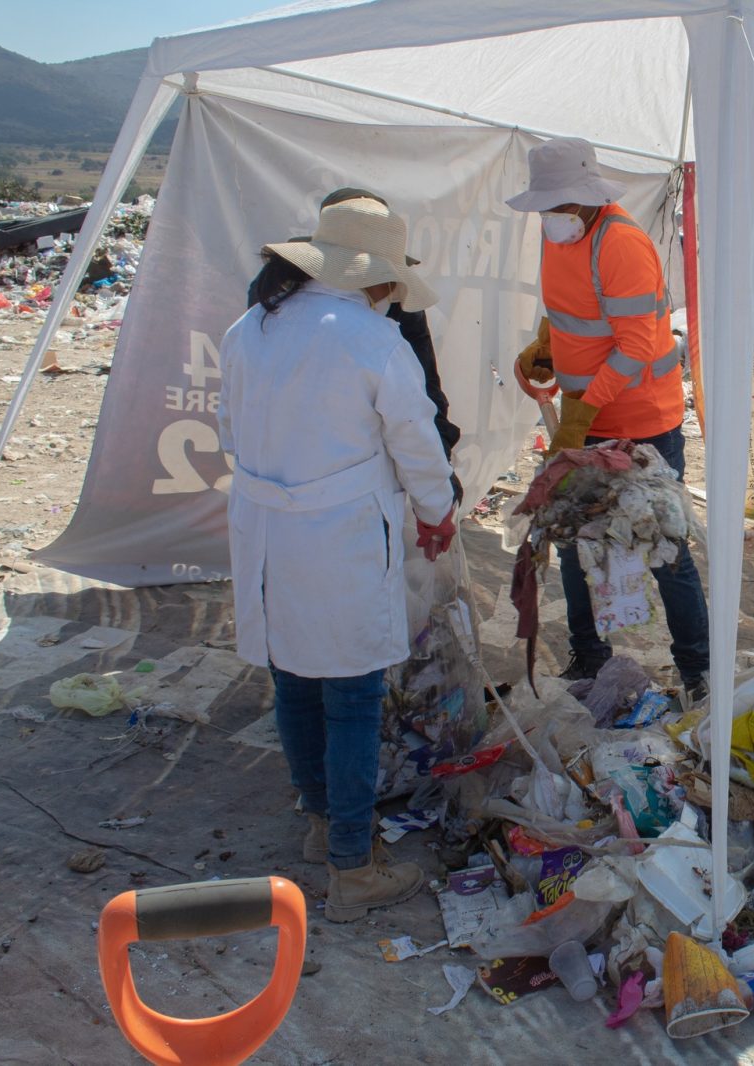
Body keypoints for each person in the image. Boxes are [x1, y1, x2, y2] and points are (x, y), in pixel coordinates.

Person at [218, 194, 457, 922]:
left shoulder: (249, 327)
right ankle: (352, 867)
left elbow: (229, 427)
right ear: (375, 279)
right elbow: (417, 442)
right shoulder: (370, 340)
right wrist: (436, 513)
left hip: (265, 529)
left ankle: (322, 825)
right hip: (342, 532)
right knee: (352, 695)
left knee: (293, 678)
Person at [506, 137, 709, 697]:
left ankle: (699, 671)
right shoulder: (560, 236)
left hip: (643, 420)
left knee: (664, 549)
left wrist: (585, 409)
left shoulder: (621, 244)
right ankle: (590, 657)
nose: (552, 217)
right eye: (547, 207)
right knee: (575, 542)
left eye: (560, 205)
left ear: (588, 198)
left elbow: (636, 344)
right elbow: (573, 312)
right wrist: (546, 345)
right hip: (586, 415)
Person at [247, 186, 464, 504]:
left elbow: (424, 394)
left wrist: (439, 469)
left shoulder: (251, 321)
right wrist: (436, 499)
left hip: (268, 491)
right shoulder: (273, 301)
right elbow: (411, 423)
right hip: (340, 497)